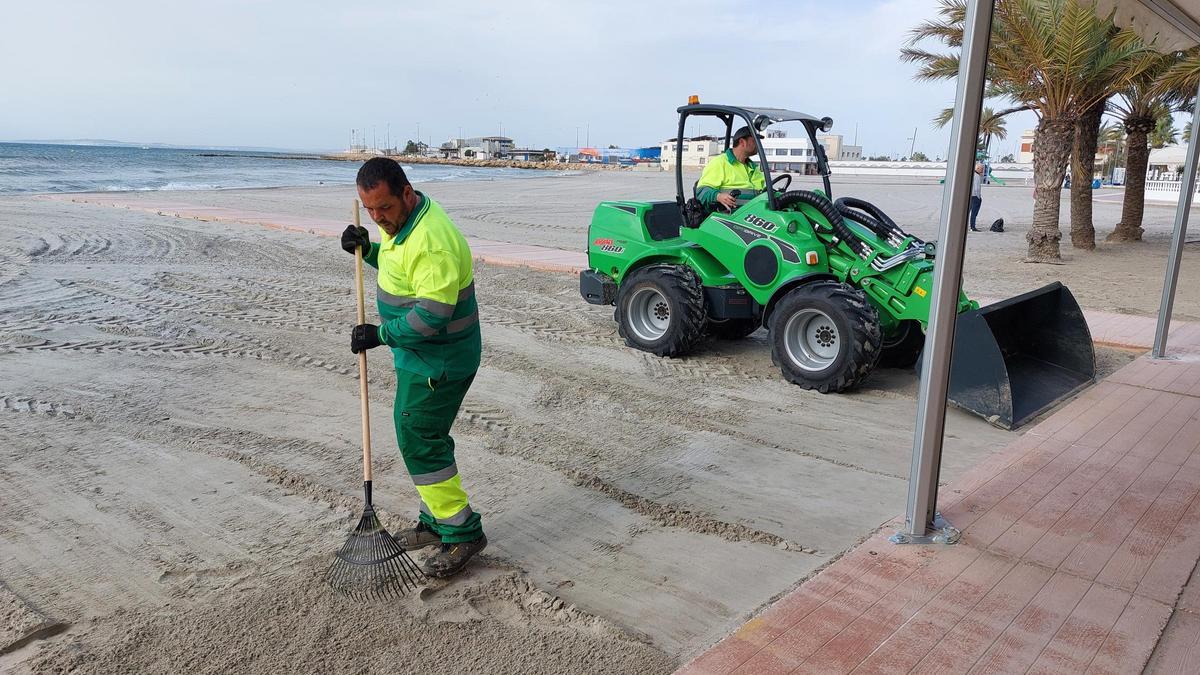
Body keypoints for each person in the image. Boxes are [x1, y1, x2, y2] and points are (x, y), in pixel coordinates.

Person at [340, 157, 486, 578]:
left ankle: (462, 532)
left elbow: (433, 313)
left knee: (419, 437)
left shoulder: (431, 240)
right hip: (421, 356)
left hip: (439, 359)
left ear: (406, 193)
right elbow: (399, 268)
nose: (377, 217)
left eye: (383, 208)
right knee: (425, 436)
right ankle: (434, 521)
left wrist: (379, 335)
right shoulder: (405, 223)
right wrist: (367, 249)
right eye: (369, 210)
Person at [696, 126, 766, 212]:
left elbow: (762, 192)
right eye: (755, 140)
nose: (758, 144)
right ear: (742, 142)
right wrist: (718, 196)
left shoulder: (754, 167)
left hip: (754, 215)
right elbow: (701, 192)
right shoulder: (720, 163)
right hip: (730, 217)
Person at [969, 162, 984, 232]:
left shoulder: (972, 174)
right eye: (981, 169)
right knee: (974, 213)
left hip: (970, 196)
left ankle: (970, 226)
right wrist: (979, 197)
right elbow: (977, 188)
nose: (982, 170)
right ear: (977, 168)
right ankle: (973, 227)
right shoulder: (977, 176)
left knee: (969, 212)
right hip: (975, 196)